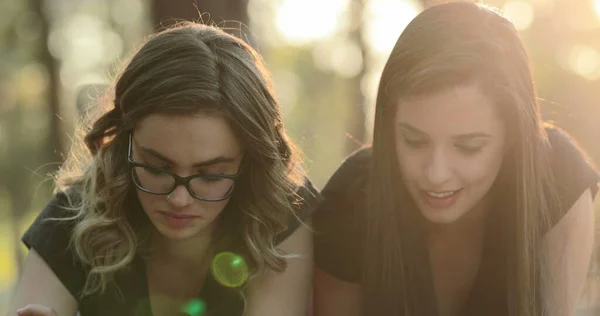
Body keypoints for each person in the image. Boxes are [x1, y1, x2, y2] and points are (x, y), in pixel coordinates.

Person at [9, 22, 321, 316]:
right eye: (157, 167)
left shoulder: (281, 211)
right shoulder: (76, 216)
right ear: (126, 143)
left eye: (210, 175)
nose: (179, 199)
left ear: (250, 161)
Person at [313, 2, 599, 316]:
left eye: (468, 147)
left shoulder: (557, 176)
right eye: (414, 141)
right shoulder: (349, 202)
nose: (436, 174)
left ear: (512, 137)